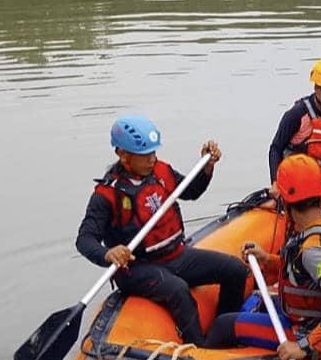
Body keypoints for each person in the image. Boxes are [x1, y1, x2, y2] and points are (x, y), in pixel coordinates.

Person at [75, 115, 249, 346]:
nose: (152, 159)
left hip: (175, 255)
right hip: (137, 269)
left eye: (154, 152)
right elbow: (85, 239)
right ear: (123, 155)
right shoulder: (106, 195)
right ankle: (199, 350)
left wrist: (207, 168)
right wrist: (108, 254)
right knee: (178, 290)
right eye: (145, 154)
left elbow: (191, 191)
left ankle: (223, 333)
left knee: (235, 270)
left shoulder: (161, 172)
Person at [205, 155, 321, 360]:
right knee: (256, 301)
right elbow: (307, 272)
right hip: (315, 315)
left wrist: (304, 346)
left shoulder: (314, 251)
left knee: (223, 325)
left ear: (287, 203)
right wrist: (267, 259)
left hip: (309, 331)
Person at [269, 58, 321, 182]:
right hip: (296, 179)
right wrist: (275, 182)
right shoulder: (297, 114)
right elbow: (275, 149)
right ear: (318, 88)